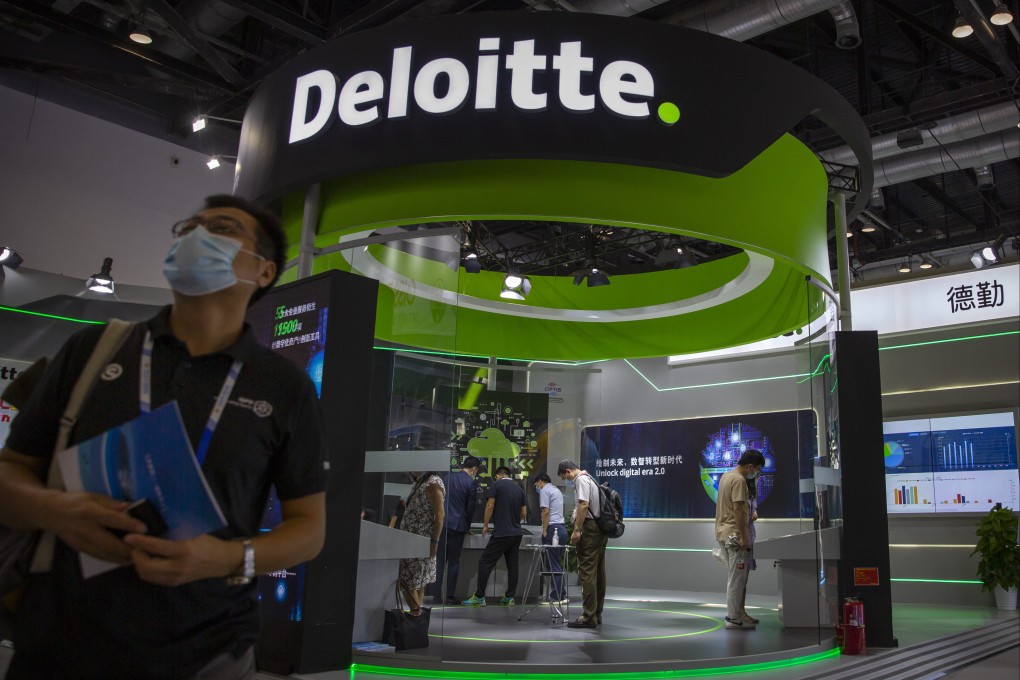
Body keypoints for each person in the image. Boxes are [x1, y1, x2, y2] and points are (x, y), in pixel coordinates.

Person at [0, 195, 328, 679]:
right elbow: (11, 471)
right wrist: (59, 511)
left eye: (219, 227)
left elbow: (309, 528)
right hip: (61, 639)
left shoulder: (283, 386)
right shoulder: (93, 350)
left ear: (264, 271)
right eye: (188, 227)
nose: (196, 235)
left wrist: (229, 558)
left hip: (209, 648)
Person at [714, 449, 765, 630]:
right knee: (737, 578)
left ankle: (735, 615)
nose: (756, 473)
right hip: (735, 535)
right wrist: (744, 538)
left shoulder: (726, 477)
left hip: (723, 533)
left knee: (735, 576)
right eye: (757, 469)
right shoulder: (739, 480)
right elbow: (738, 511)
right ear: (750, 466)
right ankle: (733, 617)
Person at [462, 466, 526, 607]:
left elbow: (490, 505)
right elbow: (523, 512)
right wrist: (514, 521)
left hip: (502, 532)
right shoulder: (519, 489)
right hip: (516, 533)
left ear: (498, 476)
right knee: (512, 565)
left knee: (485, 562)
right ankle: (509, 597)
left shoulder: (496, 485)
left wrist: (485, 525)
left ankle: (479, 597)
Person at [558, 460, 607, 629]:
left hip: (589, 528)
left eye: (565, 477)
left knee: (587, 572)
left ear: (567, 471)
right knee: (598, 573)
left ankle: (588, 616)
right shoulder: (591, 478)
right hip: (600, 528)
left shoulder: (580, 480)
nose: (567, 480)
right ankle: (596, 613)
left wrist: (577, 529)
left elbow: (583, 504)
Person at [432, 455, 481, 604]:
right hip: (458, 526)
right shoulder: (471, 483)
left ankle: (436, 595)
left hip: (443, 524)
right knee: (453, 562)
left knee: (440, 560)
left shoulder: (447, 478)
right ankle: (450, 596)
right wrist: (467, 526)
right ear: (474, 469)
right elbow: (470, 508)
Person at [397, 471, 445, 615]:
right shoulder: (420, 482)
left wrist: (434, 542)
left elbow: (440, 514)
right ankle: (417, 618)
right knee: (416, 581)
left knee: (409, 580)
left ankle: (416, 616)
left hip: (419, 540)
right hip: (412, 539)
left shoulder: (433, 482)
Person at [533, 472, 568, 605]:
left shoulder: (545, 491)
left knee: (553, 565)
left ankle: (556, 597)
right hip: (562, 529)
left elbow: (545, 512)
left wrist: (544, 529)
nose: (537, 486)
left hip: (553, 530)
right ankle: (561, 595)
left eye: (536, 483)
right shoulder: (556, 490)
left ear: (540, 481)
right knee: (556, 563)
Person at [739, 475, 760, 625]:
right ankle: (737, 613)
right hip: (742, 539)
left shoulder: (752, 492)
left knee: (744, 578)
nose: (758, 476)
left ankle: (741, 611)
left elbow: (754, 510)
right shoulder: (740, 488)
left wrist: (754, 514)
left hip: (750, 537)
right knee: (739, 578)